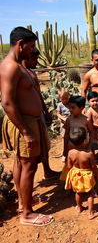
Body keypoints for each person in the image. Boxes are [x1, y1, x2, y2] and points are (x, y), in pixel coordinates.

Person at [0, 26, 54, 226]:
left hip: (28, 121)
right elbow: (7, 102)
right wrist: (26, 131)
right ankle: (27, 214)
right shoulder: (10, 66)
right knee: (29, 166)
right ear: (20, 44)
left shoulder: (18, 65)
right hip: (23, 123)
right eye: (31, 46)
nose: (33, 50)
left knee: (22, 163)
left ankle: (25, 201)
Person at [21, 48, 59, 180]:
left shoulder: (31, 73)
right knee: (26, 157)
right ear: (25, 58)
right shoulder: (19, 73)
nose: (37, 62)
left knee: (44, 144)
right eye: (34, 59)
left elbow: (38, 95)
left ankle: (47, 171)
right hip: (27, 119)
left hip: (38, 116)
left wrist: (45, 111)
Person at [65, 127, 98, 219]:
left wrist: (72, 174)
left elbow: (68, 166)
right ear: (85, 140)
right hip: (87, 175)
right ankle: (90, 213)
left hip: (76, 174)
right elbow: (93, 167)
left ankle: (79, 207)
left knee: (78, 192)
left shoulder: (70, 152)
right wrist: (96, 175)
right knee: (90, 193)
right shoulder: (89, 154)